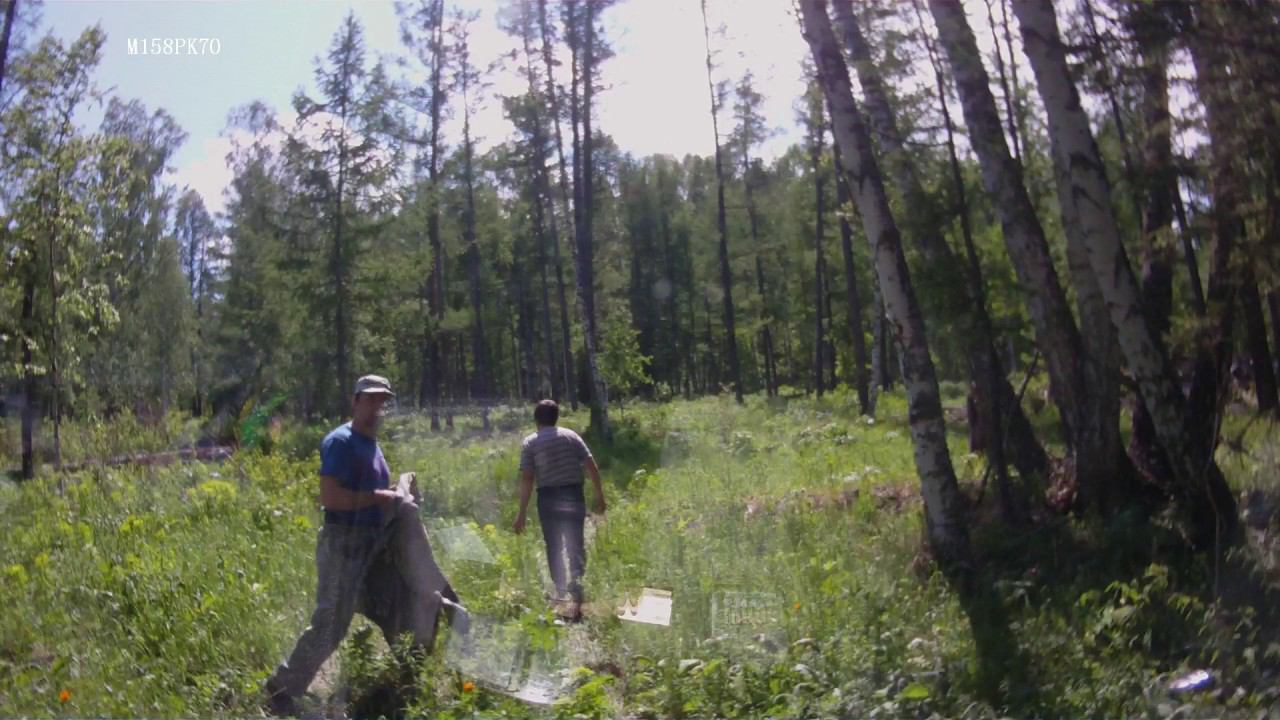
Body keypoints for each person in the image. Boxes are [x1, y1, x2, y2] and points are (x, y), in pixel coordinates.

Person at [264, 375, 461, 717]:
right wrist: (378, 497)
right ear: (355, 401)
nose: (376, 407)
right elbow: (330, 497)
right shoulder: (341, 441)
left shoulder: (372, 444)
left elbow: (373, 493)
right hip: (344, 545)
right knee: (331, 624)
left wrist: (398, 494)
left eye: (382, 401)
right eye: (370, 399)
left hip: (373, 546)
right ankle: (280, 690)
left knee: (399, 607)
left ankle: (409, 685)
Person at [513, 400, 606, 621]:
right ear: (556, 417)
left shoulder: (531, 443)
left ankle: (561, 594)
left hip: (548, 498)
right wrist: (599, 496)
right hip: (573, 495)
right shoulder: (571, 436)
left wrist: (521, 513)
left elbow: (527, 479)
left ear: (536, 419)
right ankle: (578, 592)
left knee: (553, 546)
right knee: (576, 544)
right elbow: (591, 466)